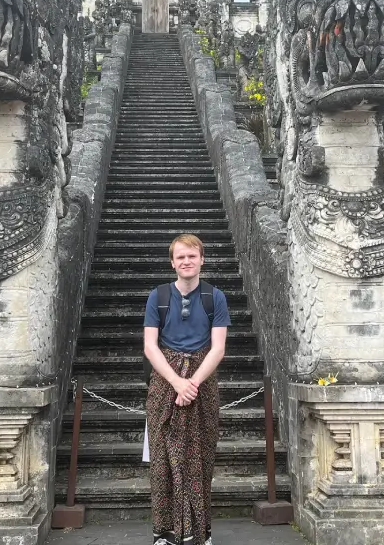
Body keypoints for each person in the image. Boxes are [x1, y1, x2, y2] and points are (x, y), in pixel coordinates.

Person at [144, 233, 230, 545]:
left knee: (202, 459)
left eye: (192, 256)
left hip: (203, 386)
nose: (186, 262)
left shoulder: (215, 297)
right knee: (163, 461)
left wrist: (192, 383)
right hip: (165, 384)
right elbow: (150, 347)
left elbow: (218, 348)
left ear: (202, 259)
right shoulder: (158, 296)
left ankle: (200, 533)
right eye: (180, 257)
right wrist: (177, 382)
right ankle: (164, 533)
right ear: (172, 262)